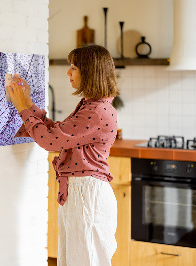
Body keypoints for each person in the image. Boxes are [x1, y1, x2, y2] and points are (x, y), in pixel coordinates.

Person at [7, 44, 119, 266]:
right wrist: (28, 103)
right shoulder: (92, 106)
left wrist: (22, 108)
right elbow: (58, 133)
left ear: (90, 72)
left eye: (74, 67)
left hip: (87, 195)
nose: (68, 72)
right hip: (82, 193)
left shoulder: (96, 111)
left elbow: (50, 141)